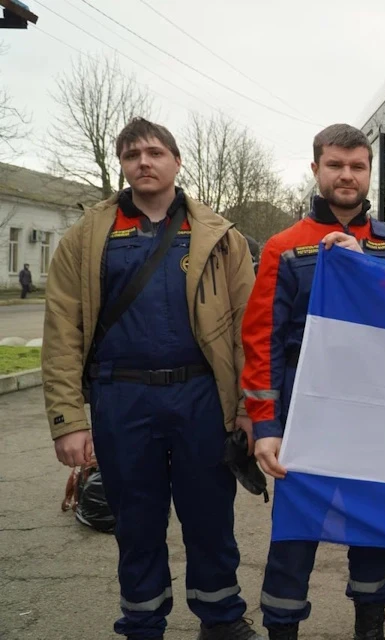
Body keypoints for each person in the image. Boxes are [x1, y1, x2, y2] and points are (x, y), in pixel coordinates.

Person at [40, 117, 261, 640]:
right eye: (132, 153)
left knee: (210, 518)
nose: (144, 161)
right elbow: (62, 331)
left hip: (202, 397)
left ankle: (221, 618)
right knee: (136, 523)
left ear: (177, 162)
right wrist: (68, 421)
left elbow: (249, 331)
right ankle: (142, 621)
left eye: (155, 152)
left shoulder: (219, 236)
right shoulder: (88, 235)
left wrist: (252, 410)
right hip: (122, 398)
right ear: (122, 164)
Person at [240, 123, 385, 640]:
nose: (347, 175)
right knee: (294, 537)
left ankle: (371, 626)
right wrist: (265, 425)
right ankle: (282, 627)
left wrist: (369, 270)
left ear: (369, 174)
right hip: (305, 415)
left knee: (372, 531)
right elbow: (262, 343)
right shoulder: (283, 247)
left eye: (357, 166)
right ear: (316, 168)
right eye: (335, 165)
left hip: (377, 415)